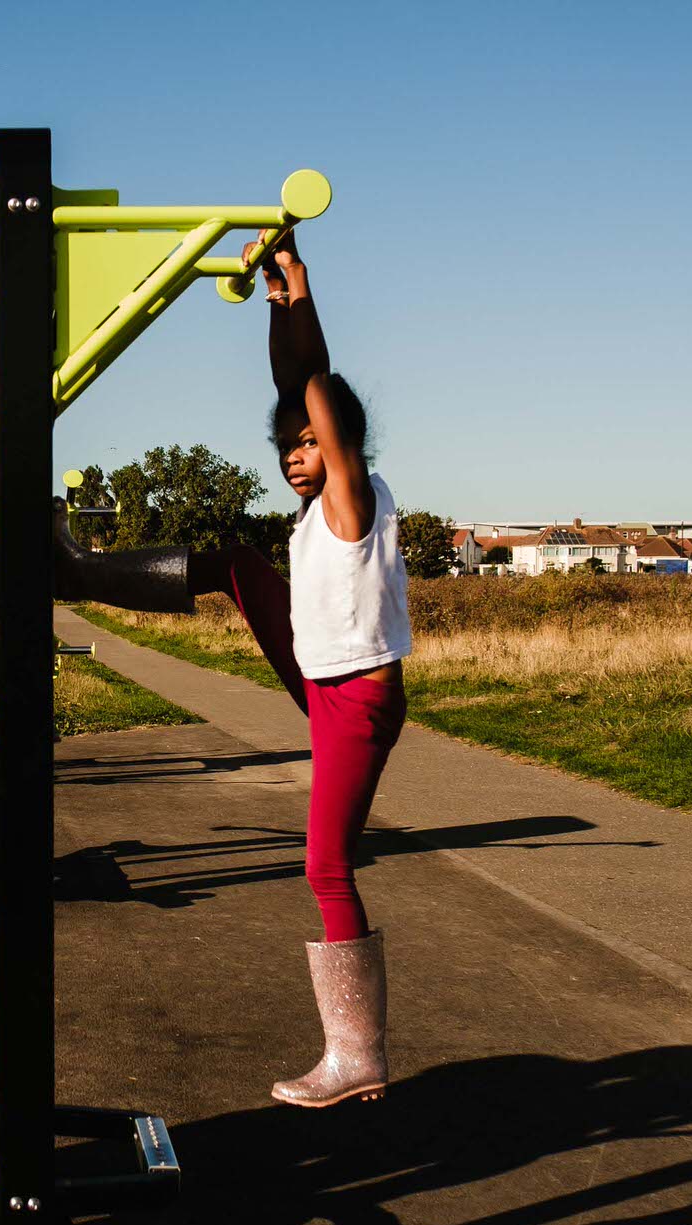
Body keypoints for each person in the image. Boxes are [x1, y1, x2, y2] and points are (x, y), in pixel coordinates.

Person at [215, 233, 412, 1108]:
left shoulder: (351, 498)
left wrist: (304, 283)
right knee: (229, 563)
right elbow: (290, 387)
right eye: (284, 447)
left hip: (357, 697)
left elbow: (311, 387)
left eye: (307, 441)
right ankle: (355, 1052)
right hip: (331, 688)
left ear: (340, 446)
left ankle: (356, 1053)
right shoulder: (310, 514)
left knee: (326, 866)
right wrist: (276, 293)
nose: (295, 453)